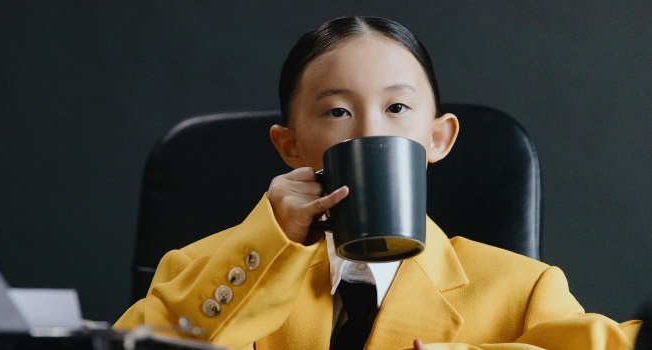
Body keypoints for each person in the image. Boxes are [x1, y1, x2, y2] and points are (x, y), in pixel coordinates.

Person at [114, 16, 640, 349]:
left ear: (437, 138)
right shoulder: (200, 269)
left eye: (397, 108)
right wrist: (265, 242)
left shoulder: (523, 289)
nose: (369, 131)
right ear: (289, 146)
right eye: (337, 111)